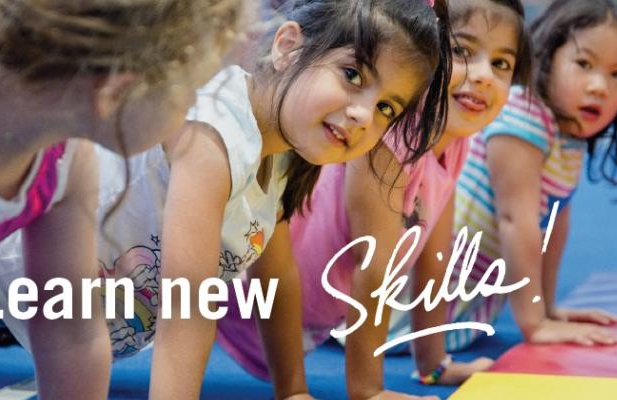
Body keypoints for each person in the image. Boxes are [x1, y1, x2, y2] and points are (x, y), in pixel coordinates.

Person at [0, 0, 451, 398]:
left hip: (19, 316)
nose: (362, 114)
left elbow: (276, 279)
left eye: (386, 109)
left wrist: (293, 391)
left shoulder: (282, 157)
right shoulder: (216, 130)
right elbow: (187, 306)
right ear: (286, 46)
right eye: (353, 75)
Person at [0, 0, 246, 398]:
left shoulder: (67, 158)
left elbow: (70, 334)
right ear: (118, 91)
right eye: (193, 91)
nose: (192, 109)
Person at [217, 0, 530, 397]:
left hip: (304, 313)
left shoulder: (454, 142)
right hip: (247, 298)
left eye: (502, 64)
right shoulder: (390, 142)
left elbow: (434, 257)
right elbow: (372, 267)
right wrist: (367, 390)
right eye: (462, 51)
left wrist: (434, 367)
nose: (484, 75)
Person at [404, 0, 617, 353]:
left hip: (459, 298)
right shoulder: (523, 113)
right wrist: (535, 323)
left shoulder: (568, 134)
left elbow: (555, 220)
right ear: (547, 57)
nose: (599, 86)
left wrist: (548, 308)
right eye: (583, 64)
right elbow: (516, 220)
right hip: (418, 299)